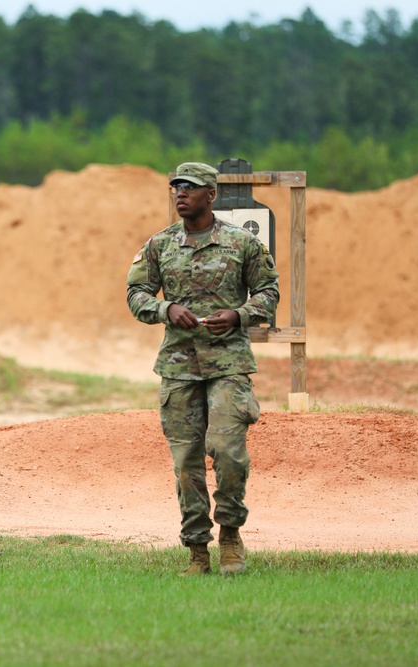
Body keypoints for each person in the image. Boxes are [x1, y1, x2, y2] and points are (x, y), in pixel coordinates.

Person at [126, 161, 279, 576]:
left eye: (190, 188)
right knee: (186, 463)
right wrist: (165, 308)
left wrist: (239, 314)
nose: (181, 193)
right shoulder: (159, 245)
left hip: (228, 364)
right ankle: (197, 551)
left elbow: (268, 292)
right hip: (178, 369)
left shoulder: (241, 243)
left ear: (210, 195)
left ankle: (230, 535)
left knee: (228, 453)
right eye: (176, 187)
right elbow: (136, 293)